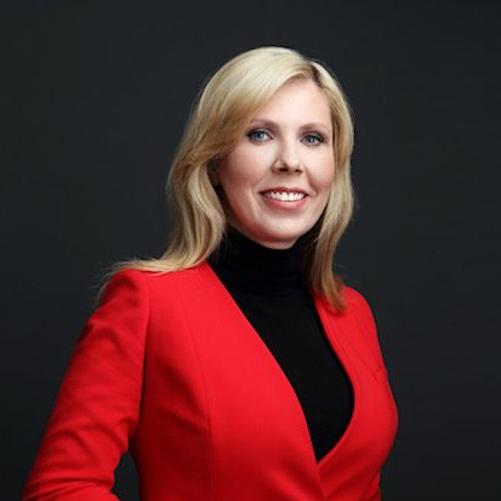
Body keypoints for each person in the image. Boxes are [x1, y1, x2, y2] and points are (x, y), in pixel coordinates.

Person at [21, 46, 399, 501]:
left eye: (313, 138)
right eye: (259, 134)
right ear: (216, 161)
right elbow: (62, 488)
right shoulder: (147, 303)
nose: (291, 161)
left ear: (335, 163)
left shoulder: (352, 313)